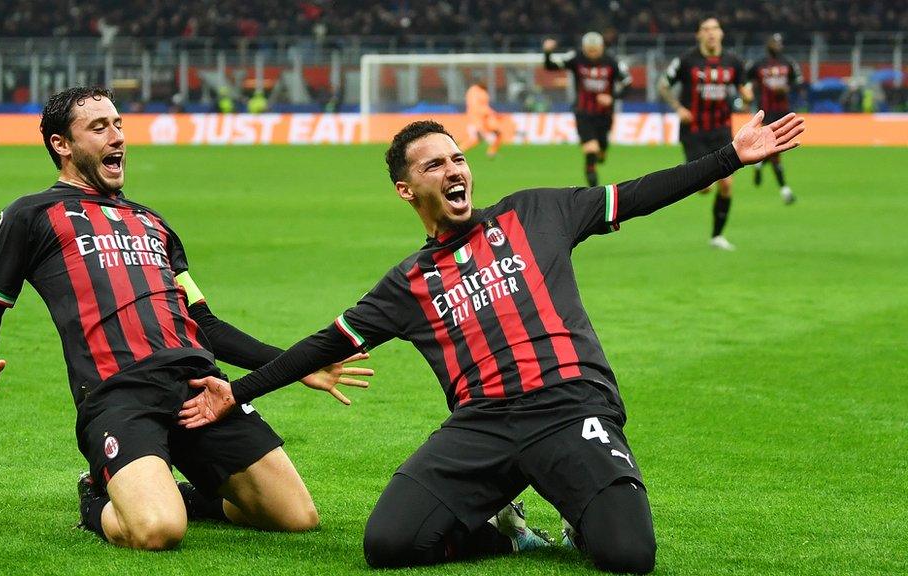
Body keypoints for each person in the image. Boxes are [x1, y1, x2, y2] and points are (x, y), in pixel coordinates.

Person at [178, 112, 805, 573]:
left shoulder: (537, 212)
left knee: (629, 555)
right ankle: (506, 532)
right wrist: (237, 392)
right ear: (407, 189)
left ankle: (581, 503)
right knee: (390, 546)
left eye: (457, 159)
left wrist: (730, 156)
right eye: (434, 165)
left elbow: (637, 196)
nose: (453, 171)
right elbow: (325, 344)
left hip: (570, 405)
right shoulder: (408, 284)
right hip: (481, 425)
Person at [0, 86, 372, 550]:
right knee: (158, 531)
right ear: (62, 145)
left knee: (295, 517)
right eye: (99, 128)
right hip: (119, 392)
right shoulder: (32, 215)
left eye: (118, 124)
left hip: (199, 386)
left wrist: (298, 365)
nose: (116, 137)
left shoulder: (153, 223)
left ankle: (181, 494)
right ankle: (96, 498)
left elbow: (207, 326)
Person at [658, 17, 753, 251]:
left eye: (715, 29)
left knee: (727, 185)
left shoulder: (734, 61)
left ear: (721, 34)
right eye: (706, 29)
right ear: (698, 35)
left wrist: (747, 95)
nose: (711, 33)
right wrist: (678, 108)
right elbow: (663, 85)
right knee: (705, 187)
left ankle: (717, 236)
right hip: (694, 131)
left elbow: (745, 88)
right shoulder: (686, 61)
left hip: (721, 130)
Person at [543, 32, 632, 187]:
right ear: (583, 48)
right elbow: (551, 67)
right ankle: (595, 192)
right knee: (591, 150)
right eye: (588, 50)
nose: (591, 54)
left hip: (605, 115)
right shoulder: (576, 58)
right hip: (583, 112)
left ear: (601, 48)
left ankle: (602, 152)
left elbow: (628, 83)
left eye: (595, 50)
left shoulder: (613, 62)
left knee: (601, 148)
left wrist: (613, 97)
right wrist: (548, 52)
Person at [746, 33, 804, 204]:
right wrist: (748, 93)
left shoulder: (788, 62)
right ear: (768, 44)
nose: (777, 45)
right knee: (775, 149)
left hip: (783, 112)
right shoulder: (758, 64)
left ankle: (758, 164)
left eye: (779, 43)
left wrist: (787, 88)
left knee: (774, 149)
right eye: (774, 42)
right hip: (765, 112)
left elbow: (799, 82)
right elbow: (745, 81)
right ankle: (785, 190)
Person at [461, 78, 502, 159]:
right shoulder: (473, 91)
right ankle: (459, 151)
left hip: (485, 120)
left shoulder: (482, 92)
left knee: (498, 133)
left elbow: (485, 106)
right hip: (476, 120)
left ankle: (491, 152)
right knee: (475, 139)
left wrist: (493, 113)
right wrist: (488, 113)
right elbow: (475, 107)